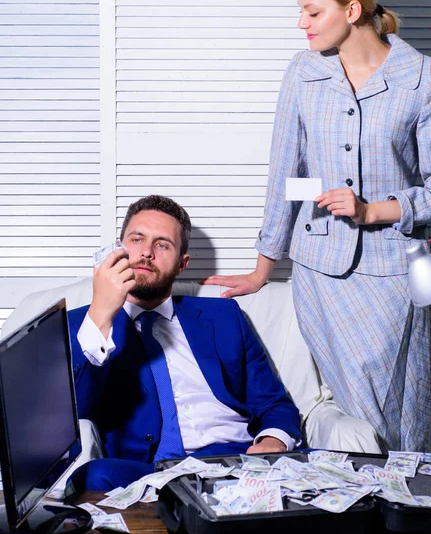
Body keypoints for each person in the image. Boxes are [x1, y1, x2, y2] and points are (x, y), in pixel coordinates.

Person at [203, 0, 431, 453]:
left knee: (394, 413)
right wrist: (262, 270)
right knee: (347, 418)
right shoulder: (304, 72)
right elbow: (284, 175)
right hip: (317, 271)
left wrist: (375, 210)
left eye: (312, 12)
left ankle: (407, 516)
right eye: (300, 11)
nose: (300, 23)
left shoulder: (423, 76)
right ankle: (351, 518)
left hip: (390, 274)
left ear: (351, 11)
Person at [67, 195, 302, 491]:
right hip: (146, 472)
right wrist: (101, 314)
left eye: (163, 244)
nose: (147, 253)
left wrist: (272, 441)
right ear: (120, 249)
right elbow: (74, 415)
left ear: (182, 264)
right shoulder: (84, 324)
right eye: (137, 240)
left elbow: (274, 403)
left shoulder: (224, 316)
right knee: (92, 477)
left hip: (232, 460)